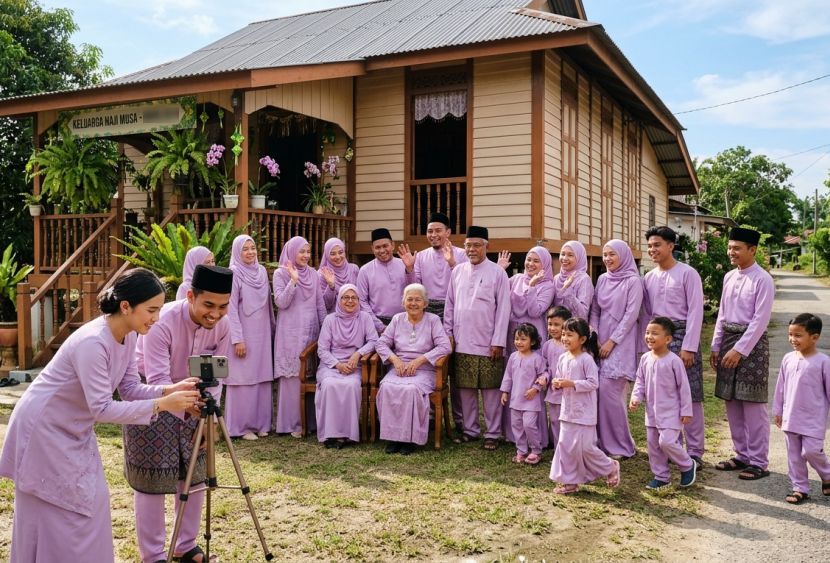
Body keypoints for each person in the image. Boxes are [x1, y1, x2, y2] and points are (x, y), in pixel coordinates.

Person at [0, 269, 200, 563]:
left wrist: (170, 389)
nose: (157, 318)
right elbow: (102, 409)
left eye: (159, 310)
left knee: (90, 504)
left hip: (74, 428)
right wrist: (163, 404)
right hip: (43, 427)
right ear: (126, 306)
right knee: (55, 507)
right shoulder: (93, 342)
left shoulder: (129, 336)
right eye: (151, 310)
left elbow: (129, 388)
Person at [124, 264, 232, 563]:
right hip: (152, 396)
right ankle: (153, 555)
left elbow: (216, 378)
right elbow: (158, 378)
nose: (215, 314)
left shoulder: (224, 325)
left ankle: (185, 545)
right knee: (153, 480)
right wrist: (190, 408)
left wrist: (208, 419)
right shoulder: (163, 322)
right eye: (208, 305)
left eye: (223, 306)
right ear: (190, 296)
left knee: (194, 476)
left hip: (195, 401)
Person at [711, 227, 774, 481]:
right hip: (728, 341)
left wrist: (739, 350)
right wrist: (716, 345)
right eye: (730, 247)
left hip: (752, 346)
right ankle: (742, 455)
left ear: (752, 250)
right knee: (732, 401)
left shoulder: (763, 279)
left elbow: (760, 320)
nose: (731, 252)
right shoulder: (729, 277)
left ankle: (759, 462)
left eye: (737, 248)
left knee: (753, 404)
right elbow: (722, 314)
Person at [396, 211, 468, 433]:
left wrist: (453, 264)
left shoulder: (462, 254)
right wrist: (410, 268)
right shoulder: (421, 256)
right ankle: (428, 415)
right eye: (430, 231)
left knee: (454, 367)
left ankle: (461, 421)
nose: (433, 235)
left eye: (438, 230)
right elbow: (415, 287)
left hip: (454, 310)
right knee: (431, 362)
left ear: (448, 232)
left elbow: (466, 285)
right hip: (427, 312)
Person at [641, 226, 705, 467]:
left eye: (657, 245)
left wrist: (689, 347)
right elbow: (648, 314)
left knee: (691, 394)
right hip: (658, 341)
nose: (652, 250)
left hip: (683, 337)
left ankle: (695, 452)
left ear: (671, 245)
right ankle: (673, 448)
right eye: (649, 246)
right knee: (664, 394)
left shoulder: (688, 273)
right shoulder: (649, 277)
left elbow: (696, 311)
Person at [444, 225, 511, 451]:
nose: (472, 249)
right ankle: (470, 430)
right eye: (468, 245)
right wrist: (448, 333)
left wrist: (498, 341)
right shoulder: (457, 271)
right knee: (465, 389)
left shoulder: (498, 273)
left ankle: (493, 433)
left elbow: (504, 309)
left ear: (486, 247)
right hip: (462, 340)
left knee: (491, 391)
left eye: (476, 245)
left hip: (488, 342)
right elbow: (449, 305)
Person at [375, 283, 452, 454]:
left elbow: (445, 346)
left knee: (411, 390)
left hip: (424, 370)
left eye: (418, 300)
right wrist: (395, 360)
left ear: (425, 303)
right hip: (400, 368)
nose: (413, 303)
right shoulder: (397, 319)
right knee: (386, 387)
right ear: (403, 302)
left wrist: (420, 360)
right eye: (409, 299)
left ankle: (409, 439)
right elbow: (381, 343)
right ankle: (393, 437)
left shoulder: (433, 320)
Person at [549, 318, 620, 494]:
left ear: (582, 339)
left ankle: (610, 466)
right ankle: (570, 482)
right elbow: (559, 377)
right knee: (566, 447)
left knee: (586, 448)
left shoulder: (586, 359)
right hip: (567, 411)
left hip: (584, 413)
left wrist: (572, 383)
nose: (565, 338)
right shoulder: (563, 358)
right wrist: (557, 383)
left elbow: (593, 383)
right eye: (563, 334)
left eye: (569, 335)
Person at [629, 317, 697, 490]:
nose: (649, 336)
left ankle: (687, 464)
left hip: (671, 412)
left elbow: (684, 387)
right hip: (651, 413)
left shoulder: (674, 361)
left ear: (667, 339)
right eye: (647, 332)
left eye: (654, 333)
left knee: (666, 442)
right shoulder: (645, 358)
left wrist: (686, 410)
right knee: (654, 446)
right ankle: (661, 477)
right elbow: (640, 380)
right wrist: (636, 397)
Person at [590, 239, 643, 459]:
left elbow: (631, 316)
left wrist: (612, 341)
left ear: (623, 255)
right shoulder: (603, 279)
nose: (607, 259)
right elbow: (595, 310)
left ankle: (621, 446)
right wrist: (595, 335)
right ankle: (603, 442)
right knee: (599, 393)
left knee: (611, 394)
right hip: (600, 342)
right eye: (605, 254)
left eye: (612, 254)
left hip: (621, 343)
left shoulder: (633, 281)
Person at [772, 313, 830, 504]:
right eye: (790, 334)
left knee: (811, 452)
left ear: (814, 337)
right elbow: (780, 387)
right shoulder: (788, 359)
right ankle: (800, 488)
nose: (792, 339)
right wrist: (778, 410)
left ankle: (827, 475)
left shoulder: (823, 362)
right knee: (795, 456)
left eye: (798, 335)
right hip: (790, 417)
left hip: (814, 419)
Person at [273, 236, 327, 437]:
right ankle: (290, 424)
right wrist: (293, 280)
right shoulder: (281, 273)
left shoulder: (313, 273)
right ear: (292, 252)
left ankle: (309, 423)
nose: (305, 255)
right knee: (292, 376)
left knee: (309, 375)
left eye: (308, 251)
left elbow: (319, 303)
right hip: (290, 333)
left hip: (311, 331)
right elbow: (281, 302)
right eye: (301, 251)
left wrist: (325, 329)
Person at [503, 245, 555, 446]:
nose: (530, 264)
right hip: (514, 337)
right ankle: (514, 435)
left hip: (533, 338)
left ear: (545, 265)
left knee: (531, 381)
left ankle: (536, 437)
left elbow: (535, 311)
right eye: (528, 259)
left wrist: (532, 287)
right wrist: (500, 270)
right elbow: (498, 291)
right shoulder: (515, 279)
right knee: (515, 378)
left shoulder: (548, 285)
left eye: (536, 261)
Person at [315, 284, 379, 448]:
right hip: (331, 365)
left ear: (358, 300)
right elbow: (322, 349)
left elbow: (374, 341)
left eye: (353, 298)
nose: (350, 301)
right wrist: (337, 365)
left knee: (351, 386)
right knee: (329, 385)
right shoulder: (330, 319)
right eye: (345, 297)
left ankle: (347, 434)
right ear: (339, 299)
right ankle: (331, 434)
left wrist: (358, 354)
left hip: (354, 366)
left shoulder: (365, 318)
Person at [226, 234, 275, 440]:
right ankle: (242, 427)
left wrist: (272, 330)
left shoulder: (261, 271)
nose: (250, 252)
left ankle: (262, 423)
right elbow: (230, 309)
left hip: (262, 332)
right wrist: (238, 339)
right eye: (245, 249)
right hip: (244, 333)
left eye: (252, 248)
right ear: (238, 252)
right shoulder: (234, 272)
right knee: (243, 379)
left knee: (262, 377)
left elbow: (268, 305)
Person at [500, 323, 548, 465]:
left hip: (531, 401)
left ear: (532, 342)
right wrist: (505, 391)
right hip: (515, 400)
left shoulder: (537, 359)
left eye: (523, 339)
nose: (519, 342)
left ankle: (536, 450)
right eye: (516, 339)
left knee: (529, 425)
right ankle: (521, 450)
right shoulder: (513, 357)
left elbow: (543, 375)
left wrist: (535, 388)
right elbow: (508, 376)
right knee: (517, 426)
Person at [357, 228, 414, 333]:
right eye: (377, 247)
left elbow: (415, 291)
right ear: (372, 249)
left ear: (392, 245)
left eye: (385, 246)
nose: (382, 250)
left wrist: (410, 269)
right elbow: (362, 301)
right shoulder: (365, 270)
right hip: (377, 324)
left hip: (405, 322)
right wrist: (380, 326)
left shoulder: (405, 264)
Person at [539, 306, 571, 449]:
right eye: (550, 324)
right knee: (554, 419)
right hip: (553, 390)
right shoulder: (547, 345)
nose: (552, 328)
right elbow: (545, 367)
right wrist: (544, 377)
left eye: (557, 324)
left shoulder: (570, 345)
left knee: (566, 421)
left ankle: (566, 449)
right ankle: (557, 448)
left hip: (568, 390)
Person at [552, 241, 593, 319]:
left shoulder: (584, 279)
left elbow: (582, 314)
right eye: (562, 254)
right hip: (556, 325)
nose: (564, 258)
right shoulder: (556, 278)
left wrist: (567, 289)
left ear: (579, 257)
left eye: (570, 255)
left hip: (575, 326)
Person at [318, 237, 360, 314]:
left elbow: (360, 297)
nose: (337, 257)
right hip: (334, 318)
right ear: (327, 255)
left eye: (340, 252)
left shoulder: (354, 269)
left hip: (355, 316)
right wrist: (331, 286)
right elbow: (326, 305)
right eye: (332, 254)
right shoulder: (322, 274)